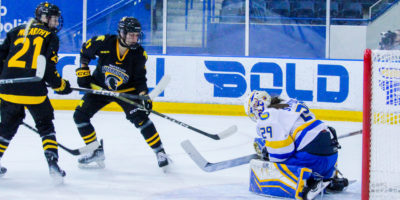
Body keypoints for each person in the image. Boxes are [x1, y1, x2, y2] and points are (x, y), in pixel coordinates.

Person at [73, 16, 169, 170]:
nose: (134, 38)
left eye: (137, 35)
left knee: (141, 119)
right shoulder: (104, 42)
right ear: (122, 33)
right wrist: (83, 70)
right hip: (100, 88)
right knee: (80, 116)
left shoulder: (139, 54)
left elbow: (139, 79)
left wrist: (144, 95)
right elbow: (85, 52)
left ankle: (160, 152)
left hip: (126, 91)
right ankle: (95, 150)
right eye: (131, 35)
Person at [0, 2, 72, 179]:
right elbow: (48, 70)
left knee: (7, 127)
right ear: (43, 18)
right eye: (53, 19)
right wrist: (61, 86)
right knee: (45, 125)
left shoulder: (16, 30)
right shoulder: (50, 37)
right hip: (33, 91)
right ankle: (53, 163)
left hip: (8, 88)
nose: (55, 23)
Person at [244, 90, 348, 196]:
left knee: (274, 167)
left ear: (256, 109)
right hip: (331, 156)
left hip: (311, 158)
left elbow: (282, 154)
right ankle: (330, 179)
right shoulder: (291, 102)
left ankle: (310, 182)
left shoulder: (267, 117)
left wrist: (268, 154)